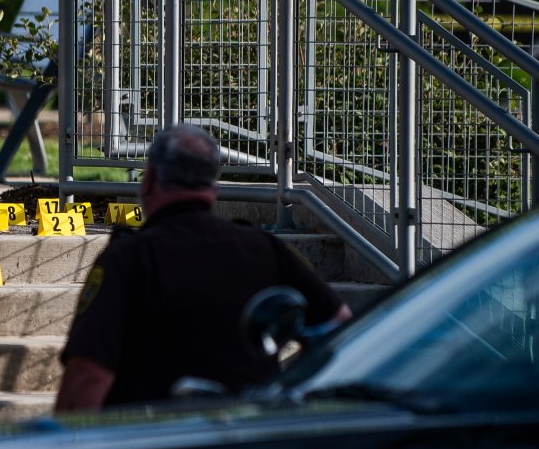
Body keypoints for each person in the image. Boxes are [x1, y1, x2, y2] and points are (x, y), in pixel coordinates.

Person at [55, 124, 352, 412]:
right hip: (243, 445)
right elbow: (339, 325)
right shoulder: (265, 248)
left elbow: (88, 377)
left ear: (148, 182)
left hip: (151, 446)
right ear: (214, 186)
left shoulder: (129, 258)